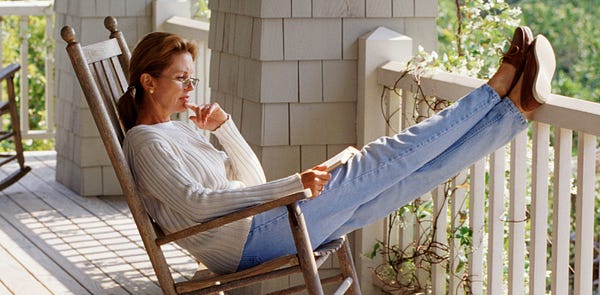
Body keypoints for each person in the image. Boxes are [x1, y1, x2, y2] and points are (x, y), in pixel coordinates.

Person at [119, 27, 556, 275]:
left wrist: (224, 129)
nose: (190, 88)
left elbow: (249, 180)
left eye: (192, 79)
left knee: (408, 179)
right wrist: (294, 186)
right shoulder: (145, 141)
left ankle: (514, 110)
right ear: (148, 81)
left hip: (262, 223)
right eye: (181, 78)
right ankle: (495, 89)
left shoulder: (181, 131)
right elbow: (198, 204)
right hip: (248, 240)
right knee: (381, 157)